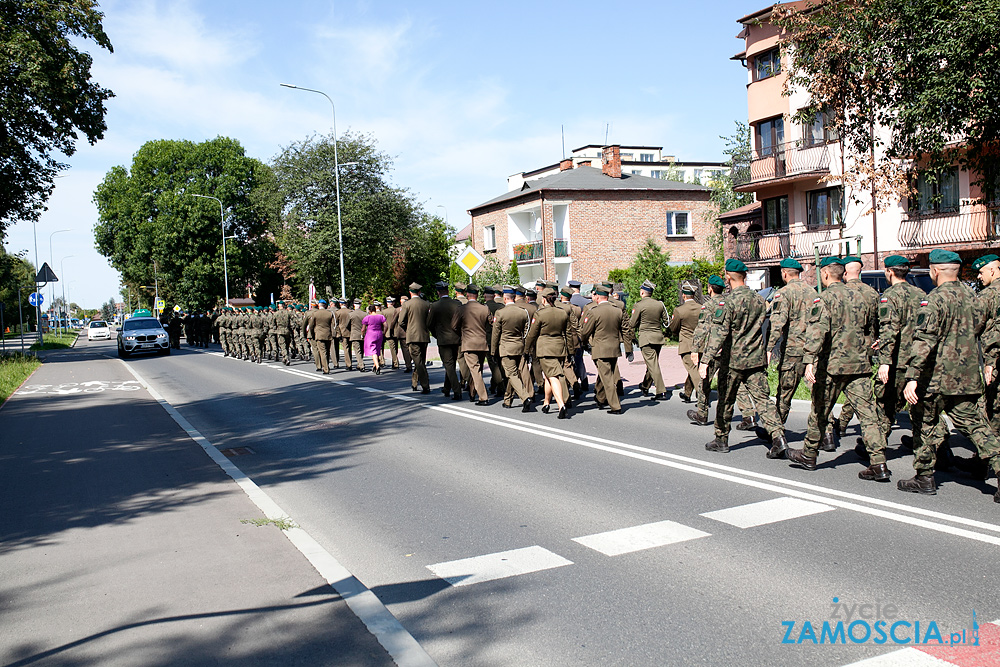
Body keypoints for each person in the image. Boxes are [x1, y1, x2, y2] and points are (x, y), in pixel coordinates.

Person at [899, 249, 1000, 500]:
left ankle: (924, 477)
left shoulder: (934, 300)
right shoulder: (974, 297)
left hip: (936, 379)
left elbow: (924, 339)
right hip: (966, 376)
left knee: (924, 423)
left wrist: (912, 377)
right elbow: (982, 330)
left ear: (934, 271)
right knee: (978, 428)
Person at [785, 257, 887, 479]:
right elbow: (872, 328)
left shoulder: (825, 298)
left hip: (832, 365)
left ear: (826, 275)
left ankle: (809, 454)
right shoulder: (863, 296)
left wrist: (809, 361)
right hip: (859, 364)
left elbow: (817, 331)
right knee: (868, 416)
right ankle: (878, 463)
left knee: (820, 410)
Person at [699, 259, 787, 455]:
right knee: (763, 401)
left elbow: (719, 333)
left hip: (733, 361)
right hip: (755, 359)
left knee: (726, 400)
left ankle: (721, 439)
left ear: (728, 277)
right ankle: (779, 438)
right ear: (744, 276)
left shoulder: (728, 302)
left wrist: (705, 360)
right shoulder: (759, 300)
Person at [867, 255, 925, 459]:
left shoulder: (889, 296)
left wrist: (884, 362)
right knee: (922, 408)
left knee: (885, 405)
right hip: (917, 360)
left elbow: (890, 330)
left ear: (890, 272)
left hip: (897, 361)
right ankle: (939, 448)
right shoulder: (921, 293)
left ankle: (876, 448)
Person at [768, 258, 820, 431]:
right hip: (813, 351)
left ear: (784, 273)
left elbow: (777, 324)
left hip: (793, 352)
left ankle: (776, 430)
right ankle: (826, 433)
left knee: (785, 392)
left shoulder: (783, 293)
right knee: (817, 393)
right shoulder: (813, 293)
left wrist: (769, 349)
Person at [833, 256, 880, 436]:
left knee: (835, 392)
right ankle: (843, 423)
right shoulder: (872, 293)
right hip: (865, 348)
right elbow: (876, 323)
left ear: (844, 272)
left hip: (841, 351)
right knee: (859, 388)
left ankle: (830, 429)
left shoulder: (842, 292)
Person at [580, 284, 630, 414]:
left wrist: (584, 343)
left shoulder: (594, 311)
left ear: (597, 297)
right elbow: (625, 329)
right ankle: (601, 398)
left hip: (600, 348)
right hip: (614, 347)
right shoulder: (617, 310)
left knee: (607, 378)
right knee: (605, 374)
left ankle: (615, 405)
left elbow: (585, 332)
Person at [526, 288, 571, 418]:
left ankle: (561, 404)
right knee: (548, 375)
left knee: (553, 376)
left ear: (544, 299)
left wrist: (526, 349)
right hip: (560, 348)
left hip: (545, 349)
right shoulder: (562, 313)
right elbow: (568, 333)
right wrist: (571, 351)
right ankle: (546, 402)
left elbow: (532, 334)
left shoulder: (540, 314)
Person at [492, 286, 533, 411]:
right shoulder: (523, 312)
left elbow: (495, 334)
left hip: (506, 347)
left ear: (505, 298)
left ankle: (525, 397)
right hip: (519, 346)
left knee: (511, 374)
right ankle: (507, 400)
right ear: (514, 297)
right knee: (513, 373)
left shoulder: (500, 313)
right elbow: (527, 331)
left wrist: (493, 351)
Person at [630, 280, 670, 400]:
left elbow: (632, 323)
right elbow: (666, 321)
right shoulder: (659, 304)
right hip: (657, 337)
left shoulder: (639, 305)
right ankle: (645, 385)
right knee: (652, 364)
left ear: (642, 292)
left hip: (646, 338)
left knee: (653, 365)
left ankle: (661, 391)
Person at [453, 283, 491, 404]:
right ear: (477, 295)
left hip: (469, 343)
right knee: (476, 369)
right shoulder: (485, 308)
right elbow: (492, 323)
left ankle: (483, 397)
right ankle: (472, 392)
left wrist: (462, 333)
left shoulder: (462, 309)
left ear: (468, 294)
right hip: (482, 343)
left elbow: (453, 326)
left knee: (475, 370)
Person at [428, 282, 462, 398]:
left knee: (448, 364)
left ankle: (457, 390)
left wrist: (436, 334)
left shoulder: (435, 306)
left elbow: (429, 324)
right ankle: (447, 388)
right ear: (447, 291)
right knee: (451, 364)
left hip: (443, 339)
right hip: (456, 338)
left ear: (438, 292)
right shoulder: (456, 304)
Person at [670, 282, 702, 403]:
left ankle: (702, 395)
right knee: (694, 368)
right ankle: (687, 393)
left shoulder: (679, 310)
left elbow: (674, 327)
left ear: (684, 295)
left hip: (687, 344)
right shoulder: (701, 308)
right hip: (700, 343)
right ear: (693, 295)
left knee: (693, 369)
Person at [398, 283, 431, 393]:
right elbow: (430, 320)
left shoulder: (407, 305)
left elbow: (401, 321)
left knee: (418, 361)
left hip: (412, 336)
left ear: (410, 292)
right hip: (424, 335)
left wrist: (408, 329)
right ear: (420, 292)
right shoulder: (426, 304)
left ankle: (425, 385)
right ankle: (414, 382)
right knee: (420, 360)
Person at [303, 300, 335, 374]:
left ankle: (325, 368)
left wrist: (312, 334)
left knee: (322, 352)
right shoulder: (330, 313)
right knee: (327, 351)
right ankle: (326, 365)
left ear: (319, 305)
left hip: (319, 334)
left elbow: (311, 325)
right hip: (328, 334)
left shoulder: (315, 314)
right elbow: (333, 325)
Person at [361, 303, 387, 375]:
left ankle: (377, 366)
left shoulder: (367, 318)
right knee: (378, 349)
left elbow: (363, 329)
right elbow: (386, 325)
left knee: (373, 350)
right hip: (379, 333)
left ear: (369, 311)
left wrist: (362, 335)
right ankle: (375, 365)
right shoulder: (381, 316)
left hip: (370, 334)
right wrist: (384, 332)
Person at [349, 299, 367, 372]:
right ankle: (359, 364)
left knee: (357, 351)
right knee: (361, 350)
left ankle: (361, 365)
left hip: (354, 334)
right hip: (363, 334)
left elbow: (347, 324)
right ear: (360, 305)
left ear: (354, 305)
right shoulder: (365, 314)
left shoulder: (351, 314)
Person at [336, 299, 353, 370]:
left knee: (346, 348)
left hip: (342, 332)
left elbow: (336, 324)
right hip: (351, 332)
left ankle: (348, 364)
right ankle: (350, 362)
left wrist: (338, 334)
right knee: (350, 348)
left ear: (340, 304)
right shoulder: (351, 311)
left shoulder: (338, 312)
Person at [382, 297, 398, 369]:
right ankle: (395, 362)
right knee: (396, 348)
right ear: (393, 303)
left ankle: (395, 363)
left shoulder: (384, 312)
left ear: (387, 303)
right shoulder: (397, 310)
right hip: (397, 331)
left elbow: (382, 323)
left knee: (392, 348)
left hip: (388, 332)